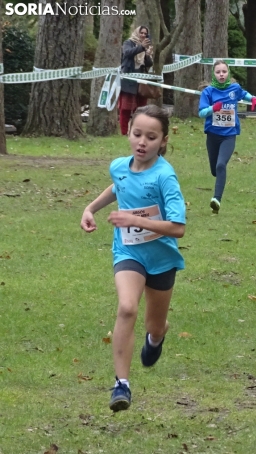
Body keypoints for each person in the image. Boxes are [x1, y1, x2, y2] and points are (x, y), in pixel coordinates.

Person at [80, 105, 186, 412]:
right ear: (128, 132)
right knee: (127, 308)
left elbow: (178, 228)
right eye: (137, 134)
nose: (142, 142)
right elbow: (119, 185)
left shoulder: (165, 177)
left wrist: (134, 220)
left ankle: (156, 337)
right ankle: (121, 386)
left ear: (163, 141)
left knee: (154, 324)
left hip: (162, 258)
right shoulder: (119, 166)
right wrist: (90, 208)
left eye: (151, 137)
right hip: (128, 252)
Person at [198, 60, 256, 214]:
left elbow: (244, 94)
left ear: (228, 73)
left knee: (221, 165)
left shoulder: (234, 89)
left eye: (224, 72)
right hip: (213, 136)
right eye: (218, 72)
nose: (221, 74)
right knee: (215, 170)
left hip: (229, 136)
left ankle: (216, 200)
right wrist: (213, 108)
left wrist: (253, 99)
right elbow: (201, 113)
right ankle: (218, 181)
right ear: (214, 74)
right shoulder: (208, 92)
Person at [119, 26, 153, 136]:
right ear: (136, 33)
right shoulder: (128, 42)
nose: (143, 35)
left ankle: (138, 131)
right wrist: (141, 47)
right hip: (128, 80)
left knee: (141, 108)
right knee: (126, 108)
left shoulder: (145, 47)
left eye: (145, 33)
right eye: (141, 33)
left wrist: (147, 56)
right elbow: (127, 53)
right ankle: (124, 132)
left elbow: (147, 65)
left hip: (140, 80)